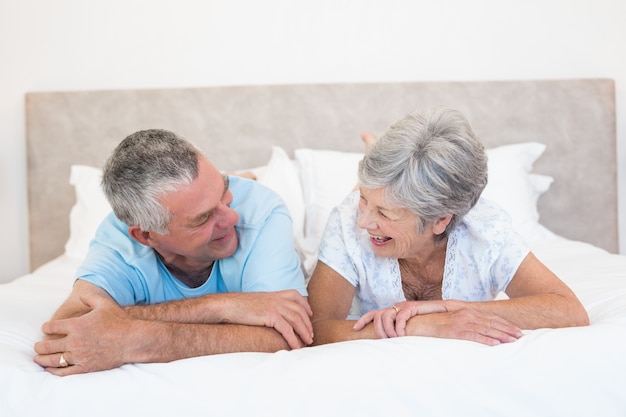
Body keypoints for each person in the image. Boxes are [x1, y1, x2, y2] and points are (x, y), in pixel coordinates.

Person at [34, 129, 313, 376]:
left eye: (224, 192)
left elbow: (286, 335)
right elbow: (67, 328)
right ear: (146, 236)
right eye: (202, 218)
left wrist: (134, 337)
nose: (231, 218)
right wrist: (222, 306)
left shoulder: (260, 210)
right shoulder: (118, 239)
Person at [307, 107, 589, 347]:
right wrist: (417, 326)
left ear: (441, 219)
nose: (363, 222)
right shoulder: (347, 223)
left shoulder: (485, 230)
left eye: (385, 212)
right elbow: (314, 331)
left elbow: (569, 310)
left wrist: (448, 310)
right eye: (364, 200)